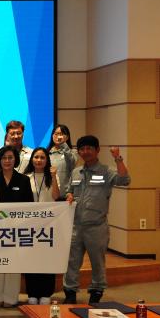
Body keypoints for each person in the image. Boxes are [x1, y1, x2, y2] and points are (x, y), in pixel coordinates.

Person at [63, 135, 130, 304]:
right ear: (79, 151)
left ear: (97, 150)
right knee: (71, 262)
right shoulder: (76, 172)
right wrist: (69, 195)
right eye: (82, 149)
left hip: (97, 227)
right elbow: (69, 190)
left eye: (89, 148)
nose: (85, 152)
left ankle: (96, 291)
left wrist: (118, 158)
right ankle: (70, 292)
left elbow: (124, 180)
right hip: (76, 226)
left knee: (97, 262)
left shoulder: (106, 171)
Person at [0, 145, 34, 308]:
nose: (7, 161)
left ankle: (11, 298)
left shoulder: (24, 179)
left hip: (17, 227)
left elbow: (29, 205)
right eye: (4, 158)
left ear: (15, 160)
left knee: (14, 262)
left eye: (10, 158)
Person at [23, 147, 60, 305]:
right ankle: (32, 292)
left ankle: (46, 293)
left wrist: (54, 176)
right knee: (31, 259)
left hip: (48, 224)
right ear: (32, 159)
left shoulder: (52, 176)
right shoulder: (26, 177)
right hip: (30, 224)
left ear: (47, 160)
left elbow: (56, 196)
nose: (39, 160)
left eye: (42, 157)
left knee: (47, 259)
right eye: (36, 157)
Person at [47, 124, 78, 199]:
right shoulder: (46, 153)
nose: (58, 136)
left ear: (67, 137)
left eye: (61, 134)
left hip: (65, 195)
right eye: (56, 134)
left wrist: (63, 144)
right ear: (52, 136)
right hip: (48, 194)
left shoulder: (73, 152)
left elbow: (72, 162)